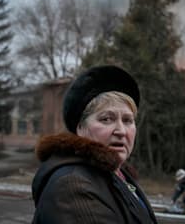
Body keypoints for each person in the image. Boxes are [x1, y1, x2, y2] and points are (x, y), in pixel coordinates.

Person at [32, 65, 158, 224]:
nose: (121, 131)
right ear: (80, 128)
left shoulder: (118, 174)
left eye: (127, 120)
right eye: (106, 119)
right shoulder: (73, 185)